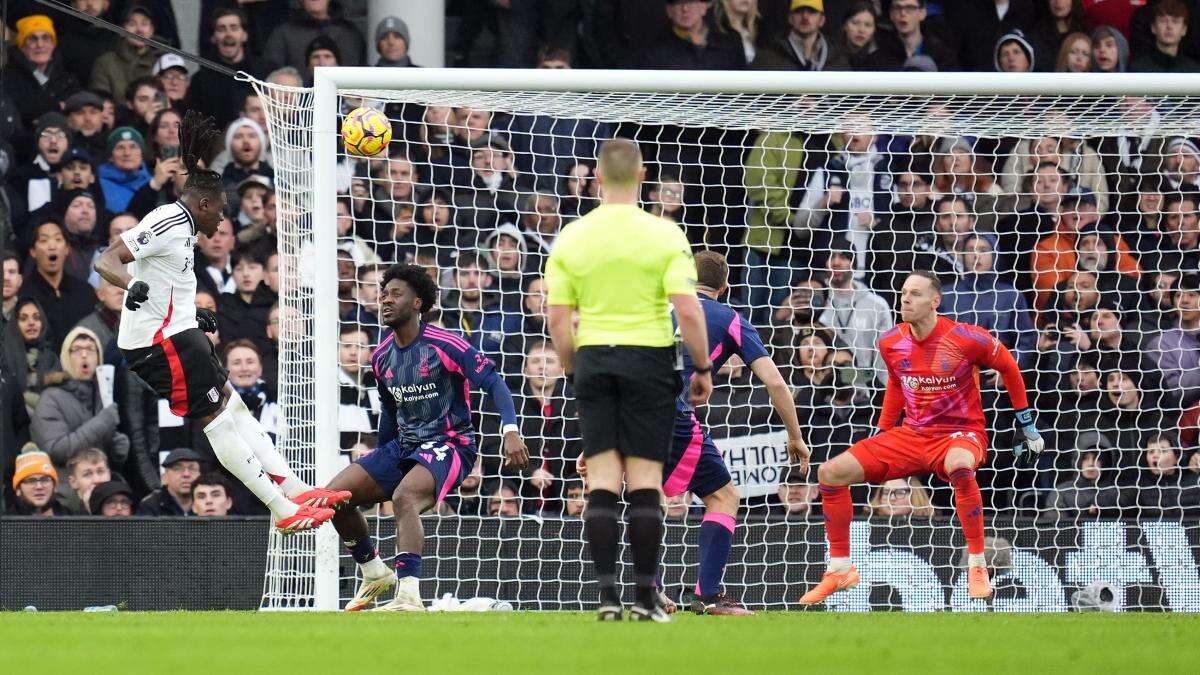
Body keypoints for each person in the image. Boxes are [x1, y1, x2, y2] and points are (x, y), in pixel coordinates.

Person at [93, 111, 344, 533]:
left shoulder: (186, 228)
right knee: (218, 419)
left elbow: (167, 280)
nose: (223, 220)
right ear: (204, 203)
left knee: (235, 405)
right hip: (156, 345)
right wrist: (129, 285)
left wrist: (192, 312)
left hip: (178, 332)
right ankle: (282, 510)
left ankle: (295, 488)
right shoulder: (165, 221)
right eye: (222, 211)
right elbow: (107, 259)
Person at [577, 251, 810, 616]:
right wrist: (795, 437)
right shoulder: (730, 318)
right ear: (725, 286)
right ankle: (707, 596)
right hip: (674, 415)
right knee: (722, 496)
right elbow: (776, 384)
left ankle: (652, 590)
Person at [799, 270, 1043, 605]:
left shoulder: (967, 337)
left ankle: (977, 564)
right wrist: (884, 432)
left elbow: (1010, 368)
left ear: (935, 301)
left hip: (962, 433)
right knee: (830, 473)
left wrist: (1026, 424)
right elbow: (897, 386)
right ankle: (840, 567)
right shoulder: (891, 342)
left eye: (915, 293)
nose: (906, 299)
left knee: (959, 465)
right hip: (913, 435)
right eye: (903, 293)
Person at [545, 138, 713, 622]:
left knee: (600, 479)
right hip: (650, 360)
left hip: (594, 358)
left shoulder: (573, 237)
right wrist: (701, 368)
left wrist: (576, 370)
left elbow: (558, 319)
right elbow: (688, 308)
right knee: (645, 481)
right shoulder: (664, 235)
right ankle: (644, 599)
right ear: (643, 178)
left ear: (596, 178)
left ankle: (605, 598)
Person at [322, 264, 528, 612]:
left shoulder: (445, 343)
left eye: (395, 294)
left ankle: (408, 596)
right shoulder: (381, 356)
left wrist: (510, 429)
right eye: (383, 294)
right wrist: (380, 456)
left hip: (451, 444)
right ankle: (374, 571)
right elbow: (390, 411)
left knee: (405, 497)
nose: (386, 300)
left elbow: (493, 382)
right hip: (404, 444)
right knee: (335, 497)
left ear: (418, 302)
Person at [752, 0, 849, 70]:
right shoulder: (769, 56)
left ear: (822, 20)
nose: (805, 16)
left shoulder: (838, 59)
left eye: (812, 11)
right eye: (799, 11)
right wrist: (794, 99)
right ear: (790, 18)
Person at [1131, 0, 1200, 72]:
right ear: (1153, 27)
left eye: (1175, 21)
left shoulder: (1194, 70)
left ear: (1184, 30)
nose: (1169, 26)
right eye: (1163, 21)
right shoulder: (1137, 69)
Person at [139, 448, 202, 516]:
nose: (186, 474)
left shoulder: (208, 503)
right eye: (178, 469)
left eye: (191, 468)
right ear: (165, 477)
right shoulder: (151, 505)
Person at [7, 449, 70, 516]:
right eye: (31, 481)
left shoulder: (71, 518)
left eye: (45, 480)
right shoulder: (6, 522)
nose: (39, 486)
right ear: (18, 490)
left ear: (54, 486)